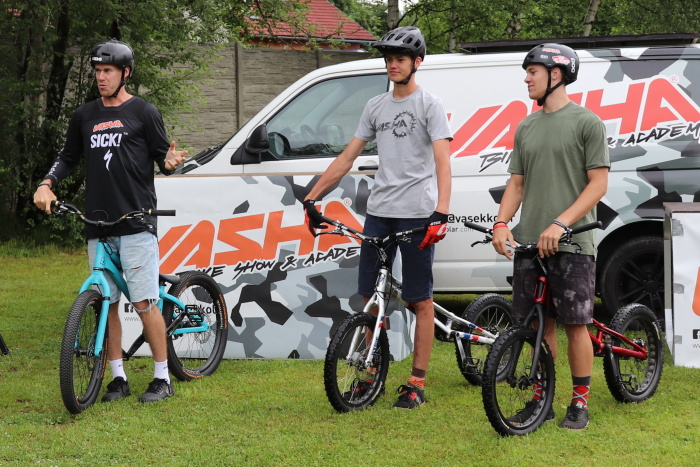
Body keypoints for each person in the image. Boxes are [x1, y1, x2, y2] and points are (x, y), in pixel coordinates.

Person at [303, 26, 452, 409]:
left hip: (417, 215)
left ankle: (416, 383)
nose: (392, 65)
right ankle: (371, 374)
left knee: (420, 300)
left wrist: (442, 212)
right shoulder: (375, 106)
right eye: (389, 59)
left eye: (400, 59)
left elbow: (442, 162)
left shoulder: (429, 104)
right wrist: (313, 196)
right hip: (379, 214)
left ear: (417, 62)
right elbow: (347, 158)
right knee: (370, 297)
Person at [33, 39, 188, 403]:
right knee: (107, 302)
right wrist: (46, 183)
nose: (101, 77)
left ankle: (162, 378)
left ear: (125, 73)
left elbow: (162, 157)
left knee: (145, 302)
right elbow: (67, 157)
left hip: (135, 221)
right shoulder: (84, 116)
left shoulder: (144, 112)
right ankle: (118, 377)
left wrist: (169, 163)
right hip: (97, 224)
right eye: (97, 71)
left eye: (108, 71)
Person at [491, 43, 610, 430]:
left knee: (576, 324)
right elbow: (516, 184)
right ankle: (541, 400)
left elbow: (598, 184)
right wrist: (501, 222)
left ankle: (579, 403)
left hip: (573, 242)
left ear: (555, 74)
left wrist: (561, 223)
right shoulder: (526, 126)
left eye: (533, 72)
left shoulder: (586, 122)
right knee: (537, 325)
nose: (526, 79)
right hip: (529, 242)